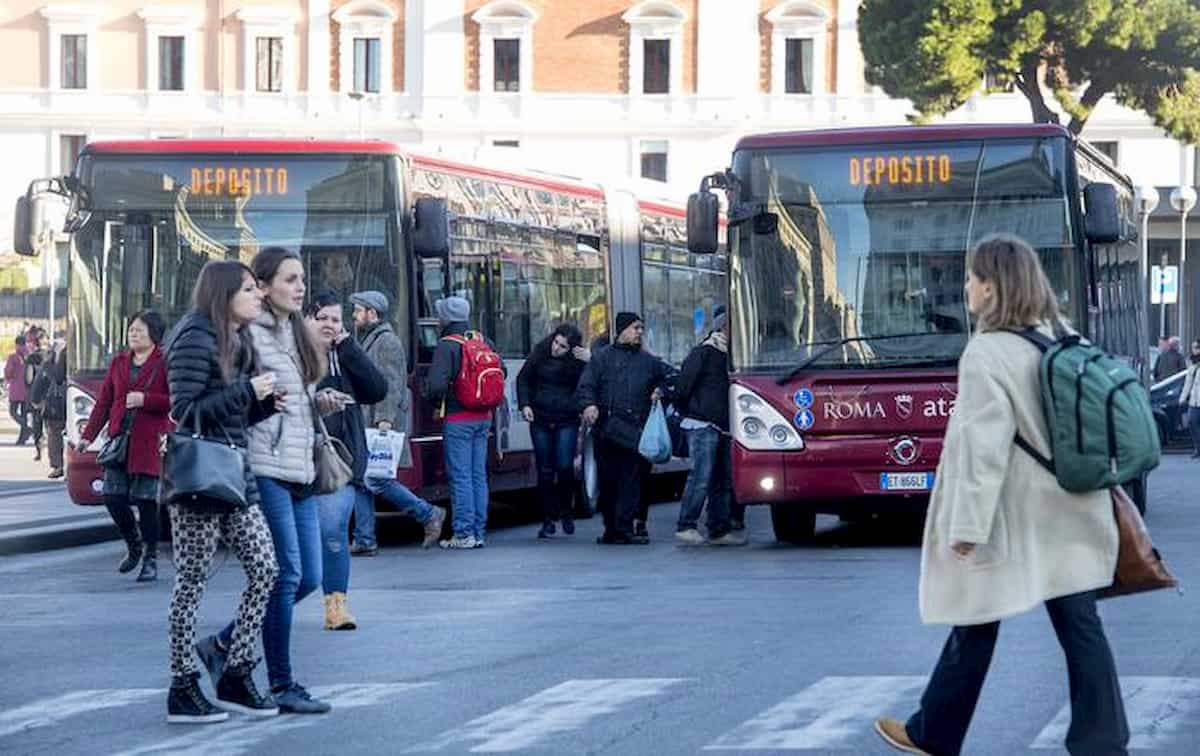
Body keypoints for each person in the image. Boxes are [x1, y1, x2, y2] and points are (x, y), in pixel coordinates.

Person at [875, 234, 1127, 756]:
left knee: (975, 618)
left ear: (991, 287)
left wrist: (967, 526)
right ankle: (1102, 743)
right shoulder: (1064, 337)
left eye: (971, 278)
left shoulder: (987, 352)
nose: (965, 287)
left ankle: (934, 735)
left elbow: (981, 449)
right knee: (1080, 627)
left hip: (1018, 515)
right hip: (1075, 504)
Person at [197, 247, 332, 716]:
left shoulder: (298, 331)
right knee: (285, 574)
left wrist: (320, 402)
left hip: (302, 467)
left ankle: (223, 643)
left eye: (302, 279)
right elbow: (236, 397)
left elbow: (296, 398)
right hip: (265, 464)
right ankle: (281, 682)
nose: (300, 287)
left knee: (309, 576)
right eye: (290, 279)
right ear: (265, 284)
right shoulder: (249, 333)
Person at [162, 260, 281, 724]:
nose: (258, 295)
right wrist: (248, 391)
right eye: (249, 289)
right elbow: (186, 411)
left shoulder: (237, 338)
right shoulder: (195, 337)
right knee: (192, 579)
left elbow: (233, 415)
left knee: (266, 569)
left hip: (235, 475)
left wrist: (264, 404)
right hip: (199, 477)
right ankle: (181, 683)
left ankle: (236, 669)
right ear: (224, 294)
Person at [304, 294, 388, 630]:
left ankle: (336, 606)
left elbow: (377, 389)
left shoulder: (344, 354)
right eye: (322, 318)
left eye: (336, 320)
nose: (329, 325)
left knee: (333, 530)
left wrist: (349, 348)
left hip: (339, 459)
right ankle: (270, 606)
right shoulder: (291, 353)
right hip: (296, 457)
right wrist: (316, 400)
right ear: (306, 320)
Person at [347, 290, 445, 555]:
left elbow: (391, 385)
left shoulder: (387, 342)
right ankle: (365, 538)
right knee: (362, 480)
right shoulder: (372, 338)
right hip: (368, 421)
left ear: (372, 314)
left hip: (379, 422)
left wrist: (385, 419)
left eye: (358, 310)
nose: (354, 315)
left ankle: (428, 513)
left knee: (377, 480)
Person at [79, 311, 171, 581]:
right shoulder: (119, 362)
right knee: (112, 496)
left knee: (146, 501)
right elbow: (104, 402)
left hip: (150, 441)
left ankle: (151, 558)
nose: (133, 334)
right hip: (119, 440)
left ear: (154, 334)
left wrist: (145, 400)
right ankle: (134, 544)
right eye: (131, 329)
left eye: (139, 330)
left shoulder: (165, 363)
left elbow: (175, 400)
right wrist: (87, 436)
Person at [577, 312, 675, 545]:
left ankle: (624, 528)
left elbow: (671, 378)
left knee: (630, 481)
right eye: (635, 327)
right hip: (606, 428)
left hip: (635, 430)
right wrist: (589, 405)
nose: (639, 332)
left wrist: (660, 391)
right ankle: (611, 528)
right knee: (608, 481)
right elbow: (586, 385)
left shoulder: (649, 361)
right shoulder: (602, 358)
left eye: (641, 328)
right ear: (622, 330)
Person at [425, 296, 503, 549]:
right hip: (483, 418)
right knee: (478, 475)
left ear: (446, 318)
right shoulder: (483, 340)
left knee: (460, 477)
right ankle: (478, 532)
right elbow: (501, 371)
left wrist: (437, 403)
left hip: (458, 419)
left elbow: (436, 385)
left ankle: (463, 533)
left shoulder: (446, 345)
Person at [673, 309, 743, 547]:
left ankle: (718, 529)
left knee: (722, 480)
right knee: (701, 478)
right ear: (723, 328)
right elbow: (683, 386)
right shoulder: (704, 352)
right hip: (703, 424)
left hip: (725, 426)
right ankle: (686, 525)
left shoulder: (736, 357)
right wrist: (693, 410)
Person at [517, 324, 590, 539]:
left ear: (571, 349)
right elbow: (523, 379)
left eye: (563, 346)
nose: (556, 348)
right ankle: (548, 519)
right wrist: (525, 405)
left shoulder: (579, 363)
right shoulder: (539, 352)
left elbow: (591, 382)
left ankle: (566, 511)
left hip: (567, 419)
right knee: (545, 470)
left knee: (565, 466)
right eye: (556, 342)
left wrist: (591, 360)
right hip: (540, 418)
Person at [31, 338, 68, 478]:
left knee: (54, 433)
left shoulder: (49, 365)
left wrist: (35, 400)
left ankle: (58, 465)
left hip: (56, 404)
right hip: (73, 401)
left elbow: (40, 383)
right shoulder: (78, 358)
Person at [23, 327, 47, 461]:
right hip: (51, 396)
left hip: (36, 395)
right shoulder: (51, 356)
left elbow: (28, 378)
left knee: (37, 423)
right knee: (53, 425)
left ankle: (39, 450)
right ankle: (55, 456)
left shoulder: (31, 358)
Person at [4, 335, 30, 445]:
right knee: (24, 414)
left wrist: (7, 377)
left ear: (17, 344)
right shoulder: (29, 356)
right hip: (27, 389)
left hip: (16, 389)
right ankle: (22, 438)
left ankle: (27, 428)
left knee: (13, 412)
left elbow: (8, 372)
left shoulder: (13, 357)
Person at [1179, 339, 1200, 459]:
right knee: (1192, 422)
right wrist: (1182, 398)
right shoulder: (1193, 365)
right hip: (1194, 401)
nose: (1194, 350)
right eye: (1193, 348)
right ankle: (1198, 447)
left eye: (1196, 347)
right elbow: (1188, 384)